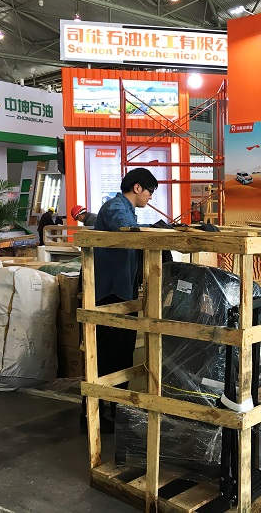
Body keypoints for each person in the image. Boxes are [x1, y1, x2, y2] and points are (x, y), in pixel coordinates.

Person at [87, 167, 158, 432]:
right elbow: (126, 229)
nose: (150, 197)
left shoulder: (125, 209)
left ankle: (116, 409)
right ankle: (100, 412)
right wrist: (155, 230)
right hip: (110, 294)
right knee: (109, 354)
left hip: (122, 292)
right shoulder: (116, 207)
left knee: (121, 354)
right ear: (137, 187)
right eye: (149, 191)